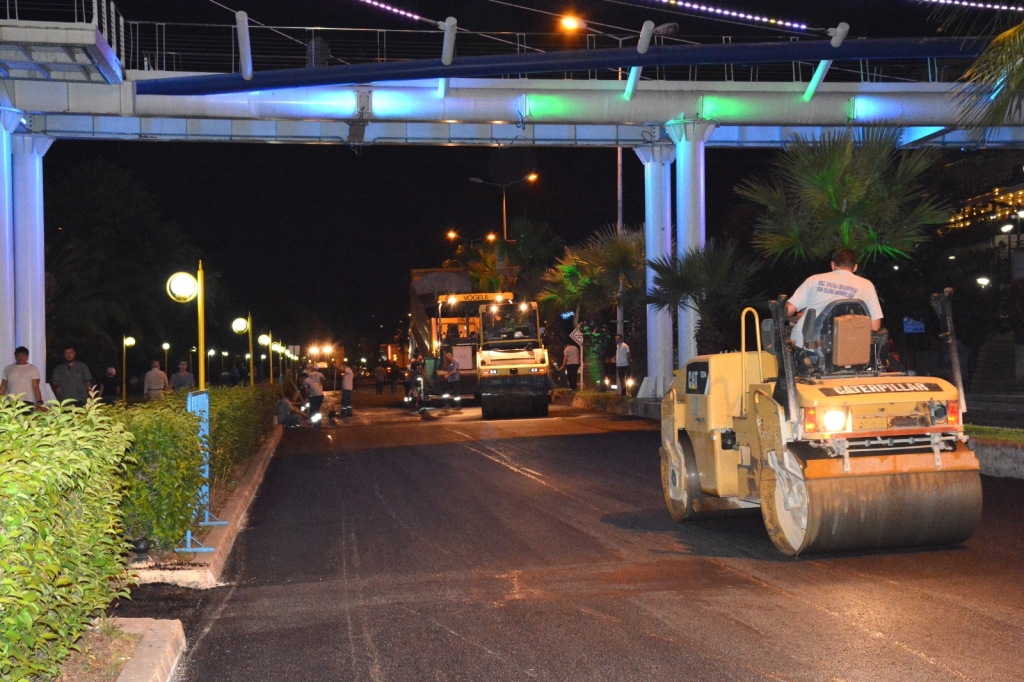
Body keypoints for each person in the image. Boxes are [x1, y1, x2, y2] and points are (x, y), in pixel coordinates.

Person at [785, 247, 883, 349]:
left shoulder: (814, 279)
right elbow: (875, 326)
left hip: (806, 343)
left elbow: (789, 310)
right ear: (855, 267)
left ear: (832, 265)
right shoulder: (866, 285)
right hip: (843, 348)